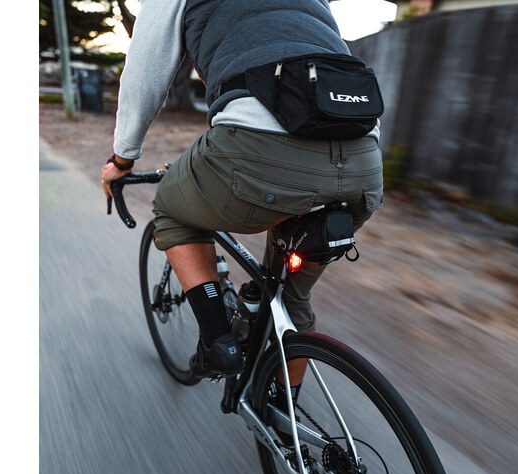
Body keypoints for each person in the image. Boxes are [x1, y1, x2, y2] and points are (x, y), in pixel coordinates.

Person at [101, 0, 384, 383]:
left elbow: (144, 73)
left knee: (170, 206)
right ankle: (283, 415)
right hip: (363, 167)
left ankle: (220, 344)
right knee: (289, 299)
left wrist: (122, 159)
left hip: (259, 152)